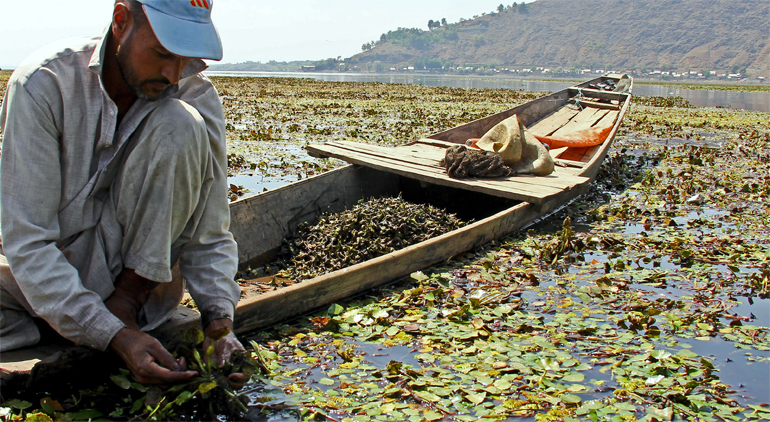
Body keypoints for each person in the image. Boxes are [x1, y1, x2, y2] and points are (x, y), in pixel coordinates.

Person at [0, 0, 246, 386]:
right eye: (162, 53)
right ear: (120, 20)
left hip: (142, 295)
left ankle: (124, 303)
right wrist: (111, 333)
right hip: (34, 285)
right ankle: (72, 323)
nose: (172, 73)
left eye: (184, 58)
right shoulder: (44, 84)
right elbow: (28, 241)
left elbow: (209, 232)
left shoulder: (194, 96)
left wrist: (219, 323)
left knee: (180, 122)